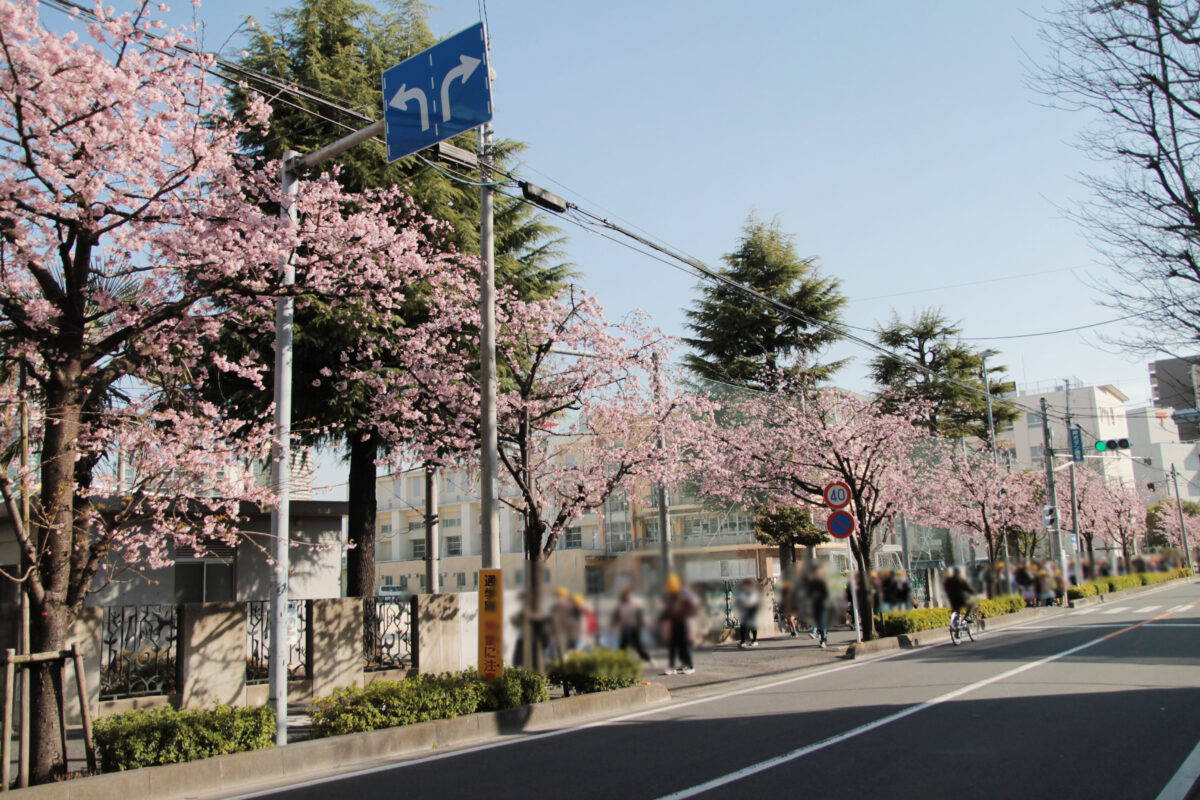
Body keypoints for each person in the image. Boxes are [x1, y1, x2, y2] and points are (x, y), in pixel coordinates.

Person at [660, 573, 697, 675]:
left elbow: (690, 610)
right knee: (673, 645)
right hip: (675, 624)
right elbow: (666, 612)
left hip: (682, 623)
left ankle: (690, 666)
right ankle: (673, 666)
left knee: (683, 645)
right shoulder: (670, 597)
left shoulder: (683, 596)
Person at [613, 586, 652, 662]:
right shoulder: (621, 604)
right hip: (625, 628)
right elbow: (617, 616)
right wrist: (615, 623)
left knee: (637, 645)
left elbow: (639, 615)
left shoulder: (634, 603)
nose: (627, 596)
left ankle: (647, 658)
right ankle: (621, 660)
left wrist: (640, 625)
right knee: (624, 646)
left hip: (634, 628)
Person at [806, 564, 830, 648]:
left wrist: (819, 595)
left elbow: (827, 593)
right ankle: (821, 635)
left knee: (822, 622)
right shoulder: (811, 584)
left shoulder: (823, 583)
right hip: (815, 605)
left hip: (823, 605)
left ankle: (823, 640)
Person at [735, 579, 761, 648]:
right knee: (745, 626)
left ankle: (752, 640)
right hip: (746, 611)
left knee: (749, 626)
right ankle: (745, 641)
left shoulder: (752, 593)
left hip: (749, 611)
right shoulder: (744, 593)